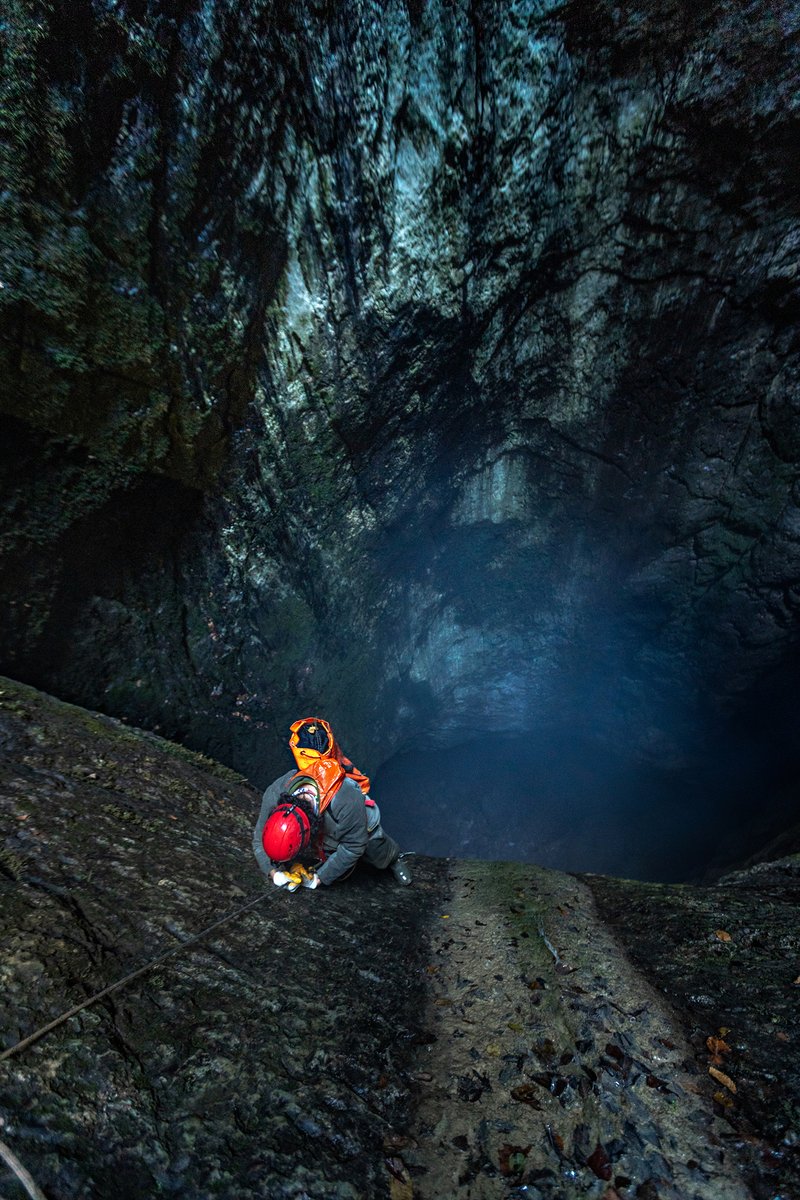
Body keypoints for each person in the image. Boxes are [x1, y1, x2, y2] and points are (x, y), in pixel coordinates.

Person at [252, 716, 412, 889]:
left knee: (374, 846)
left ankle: (394, 859)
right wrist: (275, 873)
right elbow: (259, 839)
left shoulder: (346, 798)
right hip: (330, 822)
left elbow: (353, 846)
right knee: (327, 850)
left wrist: (319, 878)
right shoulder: (276, 791)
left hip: (356, 816)